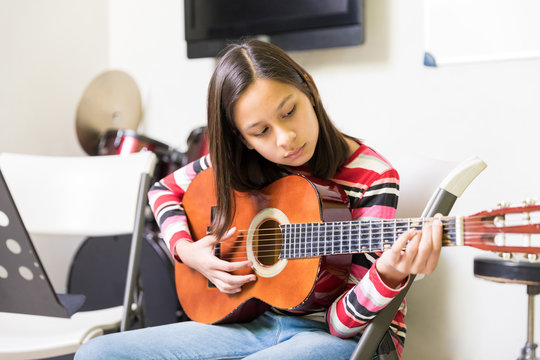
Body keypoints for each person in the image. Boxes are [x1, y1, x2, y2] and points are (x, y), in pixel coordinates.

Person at [75, 39, 442, 360]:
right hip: (258, 320)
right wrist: (187, 251)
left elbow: (339, 323)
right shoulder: (246, 161)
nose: (285, 139)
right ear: (243, 139)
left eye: (289, 112)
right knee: (97, 353)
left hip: (350, 337)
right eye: (261, 131)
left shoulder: (373, 176)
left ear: (309, 90)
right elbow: (163, 191)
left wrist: (389, 274)